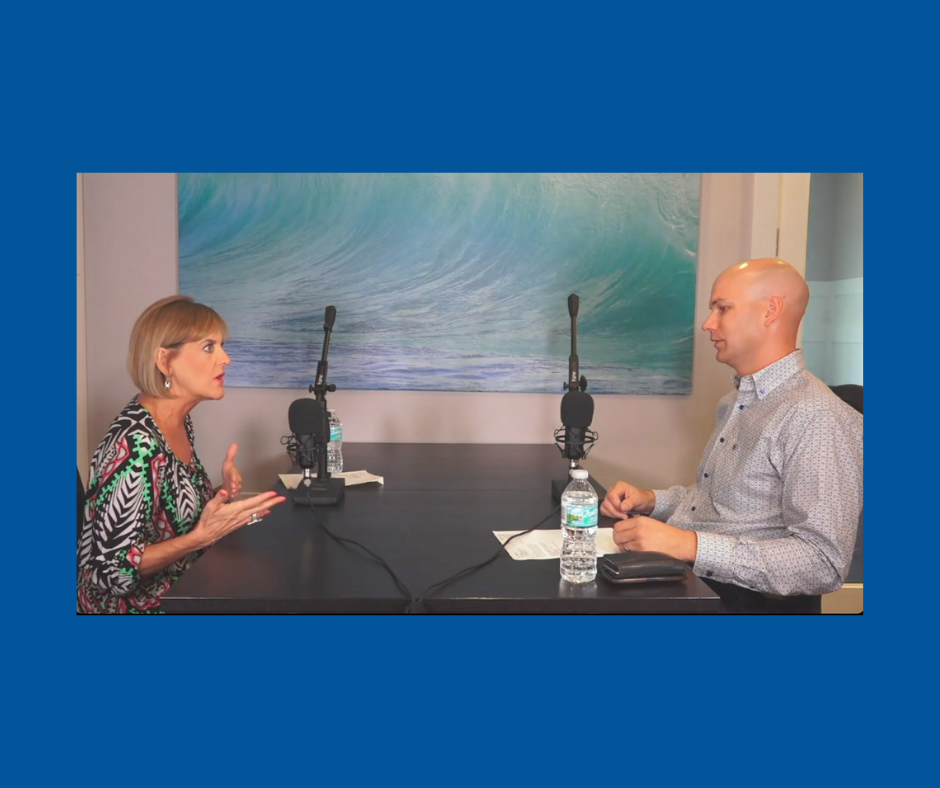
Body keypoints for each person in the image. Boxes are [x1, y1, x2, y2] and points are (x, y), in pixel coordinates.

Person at [600, 258, 862, 612]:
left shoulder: (818, 416)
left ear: (771, 311)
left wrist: (688, 545)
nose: (708, 324)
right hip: (699, 587)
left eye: (722, 309)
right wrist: (650, 500)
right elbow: (722, 505)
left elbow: (822, 563)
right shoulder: (733, 403)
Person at [77, 295, 286, 614]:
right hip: (131, 609)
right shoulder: (135, 445)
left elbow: (169, 516)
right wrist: (201, 538)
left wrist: (222, 496)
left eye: (221, 345)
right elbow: (113, 573)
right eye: (208, 347)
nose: (226, 358)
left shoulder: (176, 421)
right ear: (165, 361)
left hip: (180, 584)